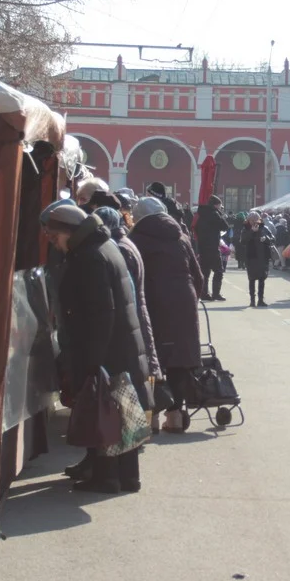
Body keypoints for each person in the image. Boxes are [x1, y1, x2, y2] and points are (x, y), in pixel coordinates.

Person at [41, 202, 151, 493]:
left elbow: (101, 313)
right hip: (122, 347)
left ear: (69, 231)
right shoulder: (105, 246)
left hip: (108, 351)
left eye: (54, 237)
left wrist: (92, 361)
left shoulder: (89, 257)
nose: (54, 244)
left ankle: (106, 477)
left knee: (105, 413)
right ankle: (128, 476)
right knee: (123, 414)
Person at [129, 197, 204, 433]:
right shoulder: (181, 237)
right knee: (179, 359)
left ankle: (151, 417)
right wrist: (191, 298)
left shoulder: (136, 240)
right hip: (184, 301)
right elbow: (198, 275)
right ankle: (176, 417)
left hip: (152, 302)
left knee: (153, 359)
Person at [96, 206, 162, 392]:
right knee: (141, 378)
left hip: (131, 320)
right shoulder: (126, 243)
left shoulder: (121, 248)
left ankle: (145, 420)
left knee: (132, 387)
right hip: (139, 316)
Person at [195, 195, 229, 301]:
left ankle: (204, 293)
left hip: (202, 246)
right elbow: (225, 226)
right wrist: (220, 214)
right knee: (218, 271)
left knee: (205, 272)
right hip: (213, 247)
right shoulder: (214, 214)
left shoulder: (200, 214)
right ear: (216, 205)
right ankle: (216, 293)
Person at [239, 211, 275, 307]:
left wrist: (266, 238)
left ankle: (261, 300)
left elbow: (273, 238)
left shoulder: (264, 227)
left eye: (256, 220)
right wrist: (252, 232)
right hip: (251, 257)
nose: (254, 222)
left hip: (263, 257)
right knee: (252, 279)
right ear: (249, 220)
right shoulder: (245, 229)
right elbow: (243, 241)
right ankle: (252, 300)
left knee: (262, 279)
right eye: (252, 220)